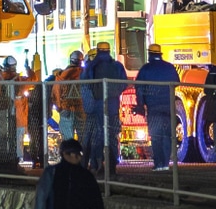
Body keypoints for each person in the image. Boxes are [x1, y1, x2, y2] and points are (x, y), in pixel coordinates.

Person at [133, 43, 182, 168]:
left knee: (156, 136)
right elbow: (176, 82)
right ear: (160, 54)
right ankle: (165, 163)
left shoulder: (145, 69)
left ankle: (158, 164)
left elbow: (139, 88)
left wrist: (140, 104)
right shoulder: (169, 67)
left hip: (153, 107)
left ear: (149, 54)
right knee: (167, 135)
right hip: (168, 106)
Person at [82, 42, 128, 173]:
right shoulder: (117, 66)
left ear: (98, 51)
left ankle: (97, 165)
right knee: (112, 136)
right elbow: (124, 83)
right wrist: (115, 92)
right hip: (113, 106)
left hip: (97, 106)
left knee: (98, 136)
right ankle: (112, 167)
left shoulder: (92, 66)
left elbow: (85, 82)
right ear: (109, 51)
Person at [52, 52, 85, 149]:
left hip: (66, 109)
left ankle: (68, 159)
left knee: (67, 140)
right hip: (81, 109)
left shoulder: (62, 75)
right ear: (81, 61)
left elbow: (55, 92)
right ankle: (82, 160)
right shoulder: (84, 74)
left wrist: (59, 107)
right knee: (83, 137)